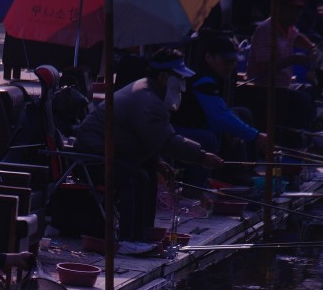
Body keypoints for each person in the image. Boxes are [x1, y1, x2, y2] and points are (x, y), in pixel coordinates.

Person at [73, 47, 224, 245]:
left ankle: (143, 235)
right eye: (179, 78)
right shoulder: (147, 99)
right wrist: (201, 157)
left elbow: (144, 136)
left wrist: (155, 161)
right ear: (163, 77)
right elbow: (167, 141)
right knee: (135, 177)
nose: (183, 86)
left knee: (148, 175)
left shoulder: (150, 93)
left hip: (111, 154)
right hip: (92, 158)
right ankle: (129, 241)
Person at [174, 31, 269, 184]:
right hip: (178, 128)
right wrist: (255, 136)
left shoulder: (213, 77)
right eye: (226, 61)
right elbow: (219, 116)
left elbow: (220, 111)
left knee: (243, 113)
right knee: (209, 139)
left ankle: (246, 170)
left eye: (233, 62)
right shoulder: (203, 81)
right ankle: (195, 189)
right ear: (209, 57)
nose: (231, 66)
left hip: (198, 122)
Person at [236, 0, 317, 150]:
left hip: (282, 85)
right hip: (262, 86)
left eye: (298, 11)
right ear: (280, 9)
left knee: (311, 91)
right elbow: (265, 68)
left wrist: (312, 47)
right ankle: (292, 146)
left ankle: (307, 139)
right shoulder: (267, 30)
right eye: (291, 10)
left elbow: (298, 37)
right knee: (300, 100)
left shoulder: (288, 28)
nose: (295, 15)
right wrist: (292, 59)